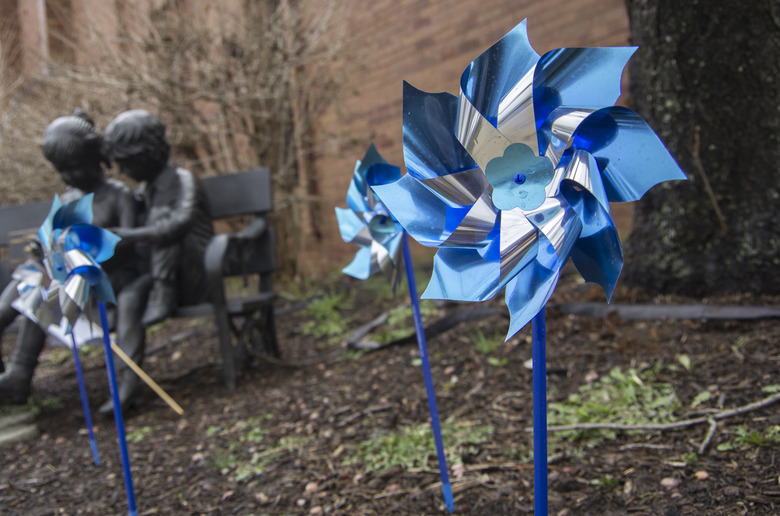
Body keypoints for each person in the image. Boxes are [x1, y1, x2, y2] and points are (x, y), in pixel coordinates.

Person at [0, 109, 147, 407]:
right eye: (62, 171)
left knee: (43, 295)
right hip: (67, 279)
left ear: (96, 157)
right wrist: (42, 245)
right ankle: (16, 377)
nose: (69, 177)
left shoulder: (120, 195)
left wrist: (84, 246)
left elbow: (130, 244)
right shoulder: (68, 200)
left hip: (109, 284)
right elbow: (49, 239)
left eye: (76, 168)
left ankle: (19, 375)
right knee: (24, 290)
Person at [102, 109, 214, 327]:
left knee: (163, 219)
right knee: (130, 296)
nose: (123, 171)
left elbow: (180, 223)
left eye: (127, 163)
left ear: (147, 154)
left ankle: (163, 292)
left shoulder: (184, 179)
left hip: (198, 274)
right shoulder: (145, 190)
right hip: (156, 276)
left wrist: (132, 236)